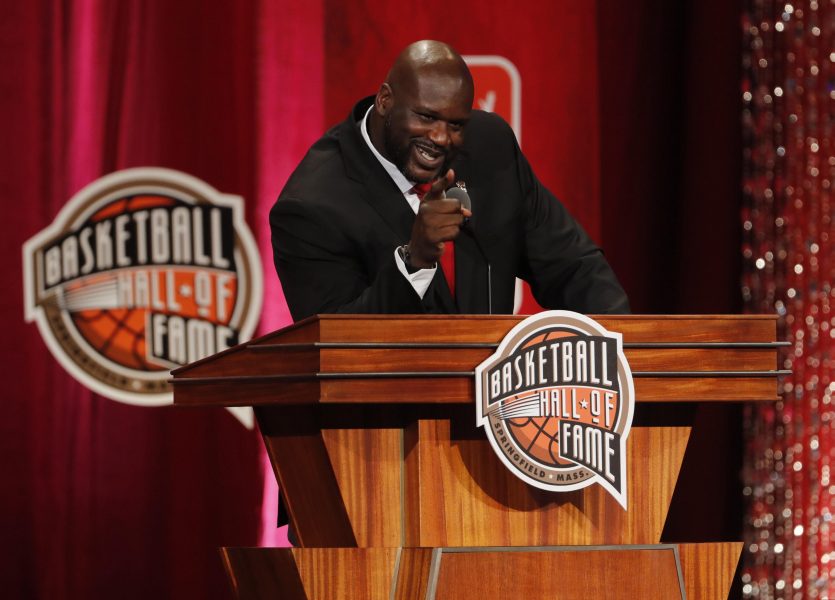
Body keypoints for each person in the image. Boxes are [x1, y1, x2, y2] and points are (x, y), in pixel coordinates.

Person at [271, 40, 629, 320]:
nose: (441, 138)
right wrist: (415, 261)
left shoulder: (490, 149)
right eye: (426, 117)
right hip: (396, 411)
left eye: (455, 124)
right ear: (384, 101)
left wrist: (621, 350)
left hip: (497, 404)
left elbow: (573, 266)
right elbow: (337, 351)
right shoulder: (312, 208)